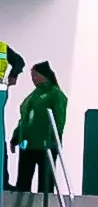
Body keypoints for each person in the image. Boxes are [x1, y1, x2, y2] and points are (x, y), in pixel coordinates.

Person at [9, 62, 64, 194]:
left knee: (45, 184)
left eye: (36, 75)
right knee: (23, 183)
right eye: (32, 75)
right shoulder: (31, 97)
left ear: (45, 75)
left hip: (46, 145)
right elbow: (24, 120)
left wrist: (55, 139)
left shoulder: (55, 94)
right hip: (27, 145)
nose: (33, 78)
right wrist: (15, 137)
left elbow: (59, 119)